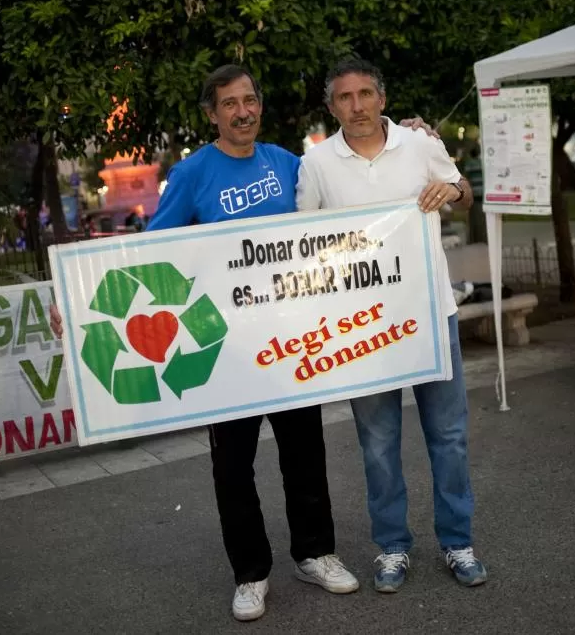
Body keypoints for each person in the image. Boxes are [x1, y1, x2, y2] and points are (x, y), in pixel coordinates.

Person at [48, 64, 438, 621]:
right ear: (213, 114)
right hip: (221, 353)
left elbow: (333, 227)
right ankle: (250, 574)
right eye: (229, 104)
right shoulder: (191, 174)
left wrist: (413, 134)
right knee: (233, 467)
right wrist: (74, 297)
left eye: (249, 100)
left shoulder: (287, 163)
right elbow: (147, 255)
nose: (243, 111)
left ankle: (315, 553)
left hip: (291, 345)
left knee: (305, 453)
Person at [295, 58, 486, 593]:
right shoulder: (316, 166)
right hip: (362, 330)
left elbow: (463, 191)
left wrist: (453, 192)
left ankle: (457, 541)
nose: (355, 106)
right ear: (332, 106)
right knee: (377, 442)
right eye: (343, 97)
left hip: (430, 315)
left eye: (364, 94)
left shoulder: (420, 145)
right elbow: (303, 247)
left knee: (448, 435)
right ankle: (392, 548)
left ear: (382, 97)